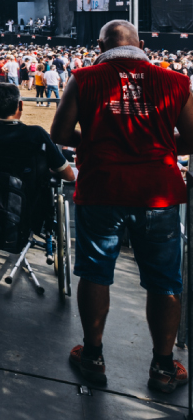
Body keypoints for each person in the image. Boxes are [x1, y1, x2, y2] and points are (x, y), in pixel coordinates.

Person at [50, 20, 193, 393]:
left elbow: (60, 135)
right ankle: (163, 367)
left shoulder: (84, 77)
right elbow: (191, 138)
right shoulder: (175, 81)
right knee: (164, 280)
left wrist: (95, 139)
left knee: (96, 273)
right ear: (141, 44)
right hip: (157, 192)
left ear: (100, 45)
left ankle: (93, 356)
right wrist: (154, 143)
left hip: (102, 187)